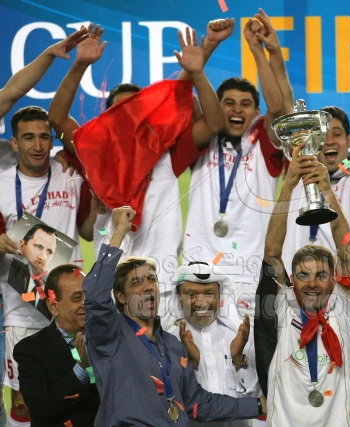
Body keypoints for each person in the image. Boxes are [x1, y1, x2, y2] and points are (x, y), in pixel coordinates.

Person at [49, 24, 224, 333]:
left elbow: (213, 123)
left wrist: (198, 72)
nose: (128, 121)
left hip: (161, 293)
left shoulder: (167, 157)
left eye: (136, 112)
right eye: (120, 114)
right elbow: (57, 119)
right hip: (110, 294)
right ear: (106, 121)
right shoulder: (93, 155)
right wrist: (79, 65)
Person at [82, 206, 265, 425]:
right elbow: (95, 296)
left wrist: (259, 405)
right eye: (137, 282)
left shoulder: (173, 345)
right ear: (120, 296)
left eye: (152, 279)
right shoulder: (110, 336)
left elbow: (198, 404)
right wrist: (119, 232)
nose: (148, 286)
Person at [255, 143, 350, 427]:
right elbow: (272, 253)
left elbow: (346, 249)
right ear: (292, 280)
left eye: (321, 275)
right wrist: (288, 186)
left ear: (334, 280)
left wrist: (327, 189)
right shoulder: (284, 305)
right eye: (303, 275)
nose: (312, 284)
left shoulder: (345, 310)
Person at [183, 10, 292, 318]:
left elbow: (277, 108)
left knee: (247, 348)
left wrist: (259, 49)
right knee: (195, 347)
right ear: (217, 108)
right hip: (199, 268)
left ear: (256, 112)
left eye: (246, 104)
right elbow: (181, 95)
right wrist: (208, 47)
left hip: (249, 271)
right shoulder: (203, 139)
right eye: (228, 103)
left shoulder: (264, 142)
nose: (237, 110)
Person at [0, 106, 93, 427]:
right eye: (28, 138)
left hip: (71, 307)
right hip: (22, 308)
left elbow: (87, 229)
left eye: (44, 137)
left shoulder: (70, 173)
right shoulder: (1, 185)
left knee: (80, 390)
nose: (38, 145)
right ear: (14, 143)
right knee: (25, 402)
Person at [281, 77, 350, 287]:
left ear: (349, 140)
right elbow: (283, 104)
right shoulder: (298, 168)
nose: (329, 141)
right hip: (296, 287)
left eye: (337, 134)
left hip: (343, 290)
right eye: (321, 136)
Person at [175, 262, 262, 427]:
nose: (201, 302)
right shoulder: (169, 342)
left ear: (220, 296)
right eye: (192, 294)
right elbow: (174, 404)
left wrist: (238, 359)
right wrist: (192, 364)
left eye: (209, 294)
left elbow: (259, 401)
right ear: (179, 298)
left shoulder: (240, 337)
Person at [14, 264, 99, 426]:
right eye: (77, 298)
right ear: (53, 306)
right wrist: (81, 369)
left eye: (88, 296)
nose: (86, 303)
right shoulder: (30, 350)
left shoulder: (107, 339)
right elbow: (41, 408)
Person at [7, 224, 58, 321]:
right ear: (22, 245)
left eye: (49, 252)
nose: (42, 257)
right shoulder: (8, 268)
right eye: (39, 247)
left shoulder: (53, 291)